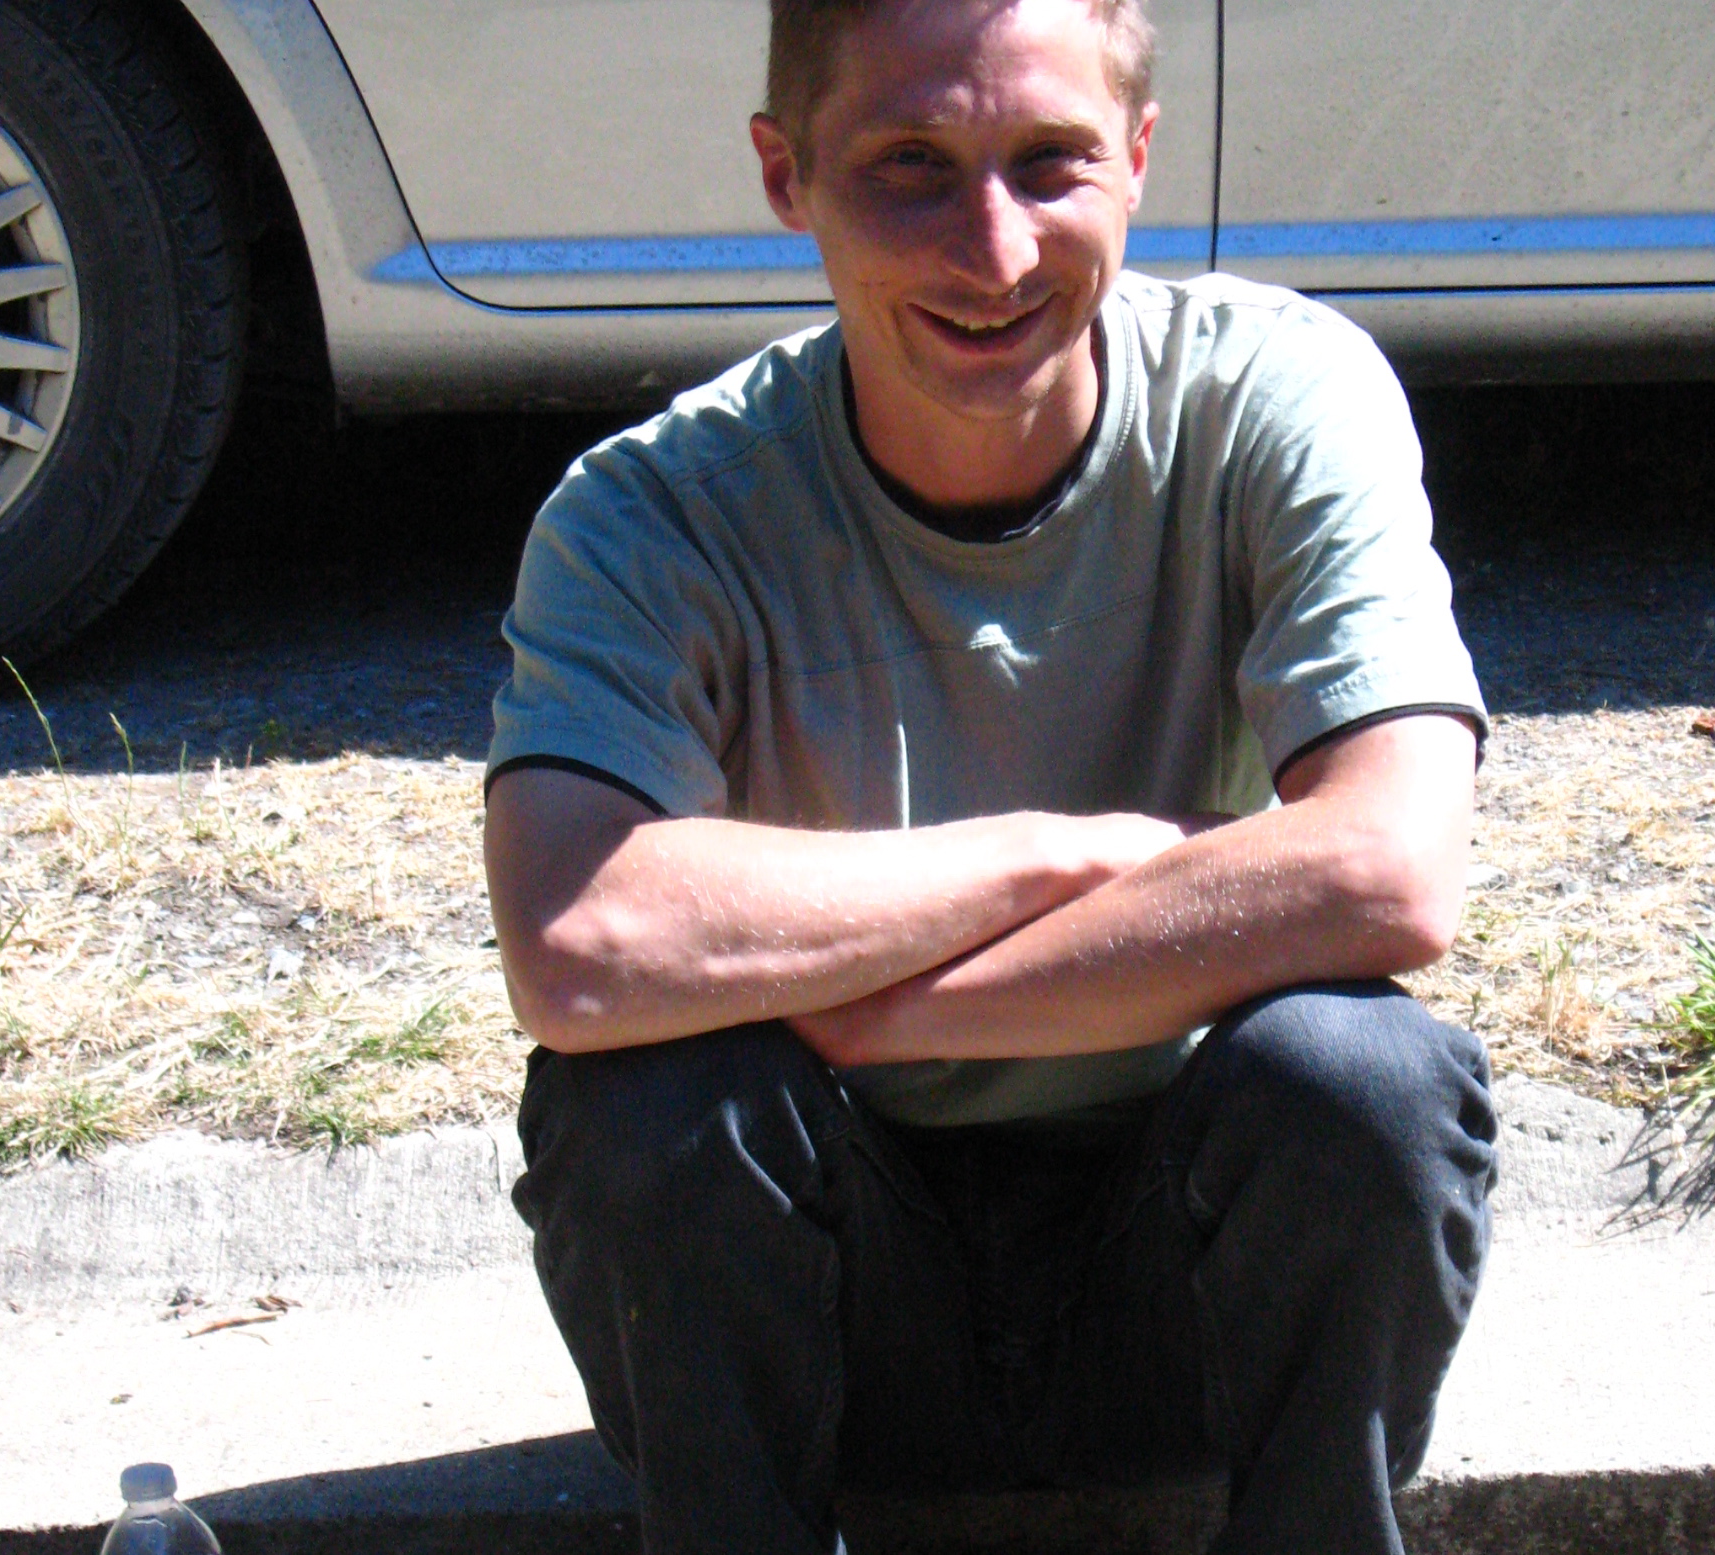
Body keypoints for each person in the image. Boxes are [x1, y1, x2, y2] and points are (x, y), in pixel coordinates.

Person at [482, 0, 1499, 1549]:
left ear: (1139, 157)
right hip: (829, 1314)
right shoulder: (650, 514)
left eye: (1050, 162)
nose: (996, 251)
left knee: (1364, 1083)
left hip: (1195, 1300)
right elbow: (581, 943)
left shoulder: (1276, 397)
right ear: (785, 173)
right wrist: (1065, 852)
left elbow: (1389, 869)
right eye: (911, 166)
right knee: (648, 1105)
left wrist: (875, 1012)